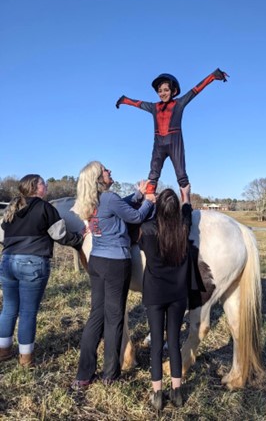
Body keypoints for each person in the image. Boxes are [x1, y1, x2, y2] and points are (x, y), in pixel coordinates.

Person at [71, 161, 155, 389]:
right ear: (100, 178)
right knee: (115, 317)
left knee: (95, 316)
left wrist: (137, 193)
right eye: (106, 170)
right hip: (116, 262)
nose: (110, 172)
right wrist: (147, 201)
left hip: (96, 261)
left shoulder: (90, 201)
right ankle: (110, 373)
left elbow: (120, 205)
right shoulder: (109, 198)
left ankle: (84, 374)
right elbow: (135, 217)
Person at [0, 174, 84, 367]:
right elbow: (60, 235)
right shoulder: (46, 208)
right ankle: (25, 358)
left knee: (9, 309)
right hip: (33, 262)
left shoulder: (11, 208)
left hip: (7, 261)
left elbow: (3, 236)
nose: (46, 186)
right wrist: (80, 239)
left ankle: (3, 351)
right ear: (35, 188)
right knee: (28, 312)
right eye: (42, 184)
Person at [116, 68, 228, 194]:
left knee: (181, 175)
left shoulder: (179, 104)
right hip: (158, 145)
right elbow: (138, 103)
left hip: (175, 144)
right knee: (153, 174)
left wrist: (213, 76)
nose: (162, 93)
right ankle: (149, 202)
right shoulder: (154, 107)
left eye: (166, 90)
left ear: (173, 91)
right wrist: (124, 100)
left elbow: (195, 90)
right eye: (159, 91)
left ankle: (186, 206)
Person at [138, 184, 192, 411]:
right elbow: (187, 211)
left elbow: (140, 241)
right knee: (175, 343)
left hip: (155, 294)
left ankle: (158, 394)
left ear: (158, 208)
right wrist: (186, 195)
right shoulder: (183, 228)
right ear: (176, 210)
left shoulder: (148, 229)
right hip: (178, 295)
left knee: (157, 346)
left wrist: (146, 200)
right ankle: (177, 392)